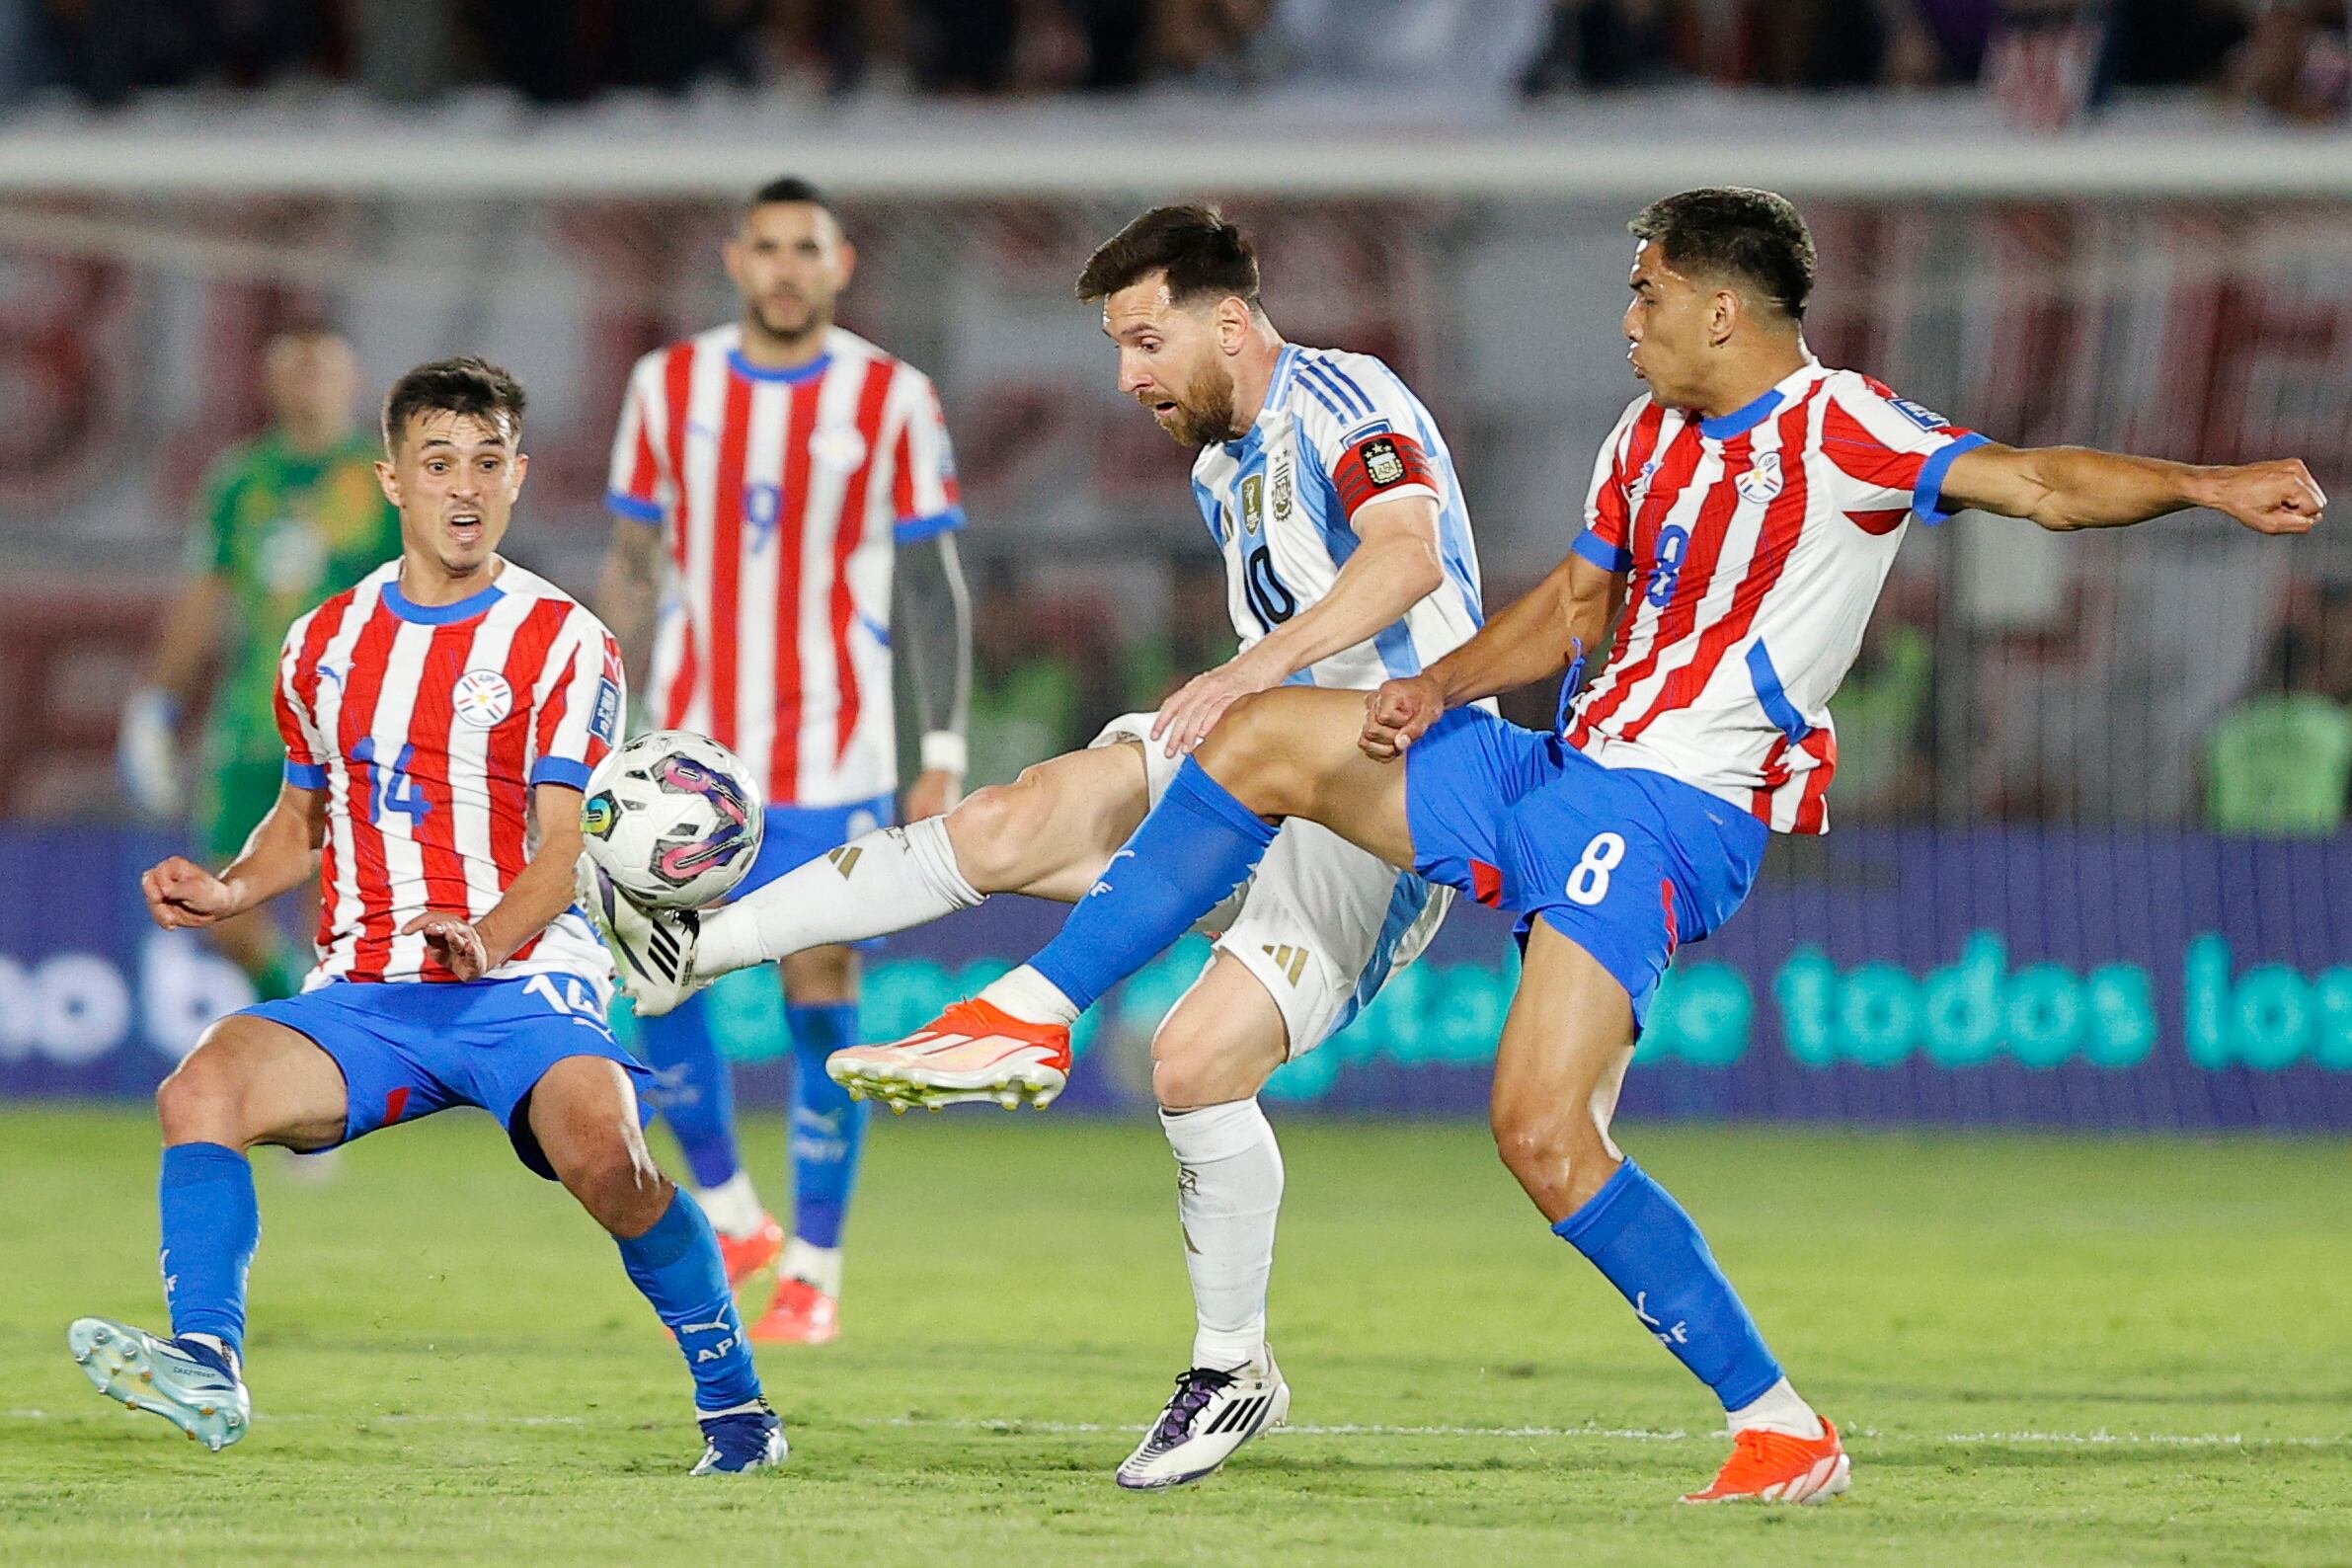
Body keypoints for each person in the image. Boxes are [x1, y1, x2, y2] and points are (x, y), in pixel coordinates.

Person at [813, 188, 2320, 1502]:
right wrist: (1434, 682)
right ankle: (1030, 1010)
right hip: (1547, 769)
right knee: (1260, 732)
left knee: (1538, 1135)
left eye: (1645, 292)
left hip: (1669, 811)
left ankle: (1778, 1427)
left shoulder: (1845, 431)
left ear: (1723, 310)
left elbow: (2043, 485)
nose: (1626, 319)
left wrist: (2203, 487)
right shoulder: (1644, 430)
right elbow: (1575, 603)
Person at [586, 203, 1484, 1488]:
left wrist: (1251, 670)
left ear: (1227, 319)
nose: (1126, 378)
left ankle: (1232, 1368)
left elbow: (1401, 561)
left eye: (1142, 340)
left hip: (1392, 798)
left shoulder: (1349, 396)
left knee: (1190, 1064)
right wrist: (1248, 694)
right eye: (1117, 348)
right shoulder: (1223, 464)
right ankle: (685, 950)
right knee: (1005, 822)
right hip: (1262, 761)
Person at [70, 358, 785, 1476]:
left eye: (489, 463)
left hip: (524, 980)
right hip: (367, 992)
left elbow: (568, 845)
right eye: (439, 463)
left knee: (610, 1160)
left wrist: (488, 936)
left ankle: (739, 1410)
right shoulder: (322, 645)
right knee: (200, 1088)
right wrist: (232, 887)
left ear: (519, 476)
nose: (465, 488)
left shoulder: (563, 639)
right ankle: (207, 1356)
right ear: (392, 478)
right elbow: (302, 818)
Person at [594, 176, 974, 1346]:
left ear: (841, 263)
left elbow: (933, 582)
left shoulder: (892, 397)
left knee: (822, 994)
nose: (786, 267)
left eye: (806, 248)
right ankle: (732, 1210)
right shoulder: (668, 386)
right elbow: (632, 564)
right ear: (735, 259)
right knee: (658, 981)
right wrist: (608, 727)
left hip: (839, 751)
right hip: (691, 764)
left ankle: (813, 1264)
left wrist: (941, 746)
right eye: (766, 247)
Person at [120, 323, 404, 1016]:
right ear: (269, 380)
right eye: (296, 368)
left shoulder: (385, 481)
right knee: (226, 914)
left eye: (324, 368)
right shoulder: (240, 480)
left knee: (329, 910)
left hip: (352, 725)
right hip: (251, 726)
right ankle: (311, 1018)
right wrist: (156, 707)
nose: (311, 381)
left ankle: (326, 1057)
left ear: (353, 380)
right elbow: (204, 601)